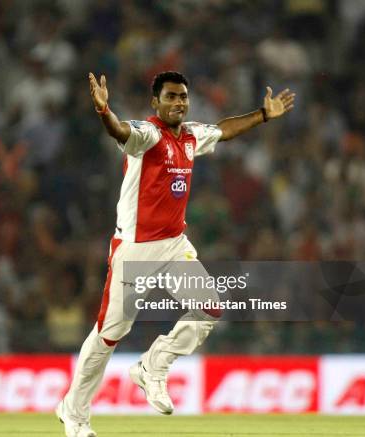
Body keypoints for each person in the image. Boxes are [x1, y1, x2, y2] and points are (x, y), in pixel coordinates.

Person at [56, 71, 295, 437]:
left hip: (173, 245)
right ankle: (74, 412)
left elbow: (223, 129)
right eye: (170, 96)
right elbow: (121, 132)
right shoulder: (147, 135)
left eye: (183, 96)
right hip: (135, 251)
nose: (178, 102)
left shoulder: (191, 136)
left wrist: (262, 115)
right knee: (109, 334)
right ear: (156, 102)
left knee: (210, 306)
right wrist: (105, 112)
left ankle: (154, 364)